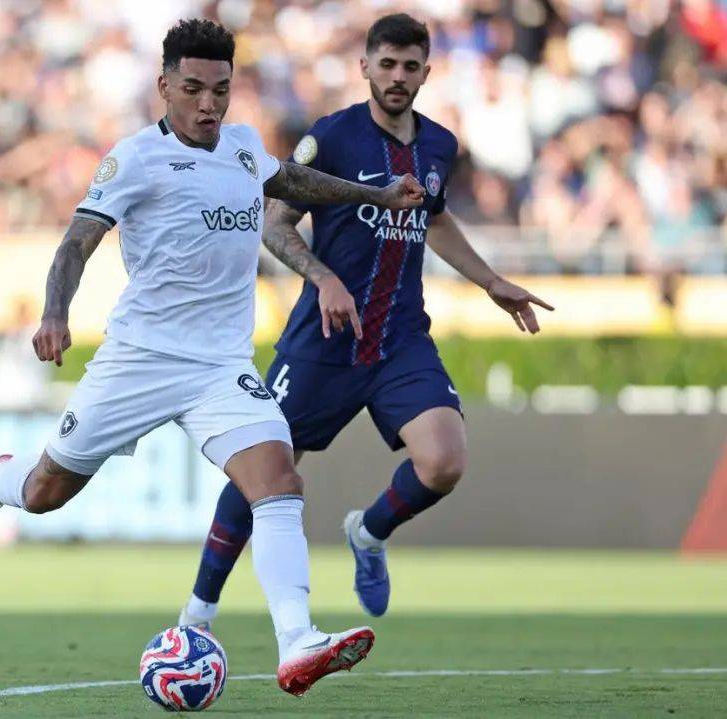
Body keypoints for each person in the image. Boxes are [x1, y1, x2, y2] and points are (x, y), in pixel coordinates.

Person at [0, 18, 425, 696]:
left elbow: (293, 180)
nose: (208, 103)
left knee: (278, 481)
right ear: (165, 86)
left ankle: (297, 642)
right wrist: (54, 312)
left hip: (221, 367)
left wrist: (376, 195)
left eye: (220, 89)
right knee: (45, 492)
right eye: (193, 88)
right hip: (139, 359)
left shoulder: (243, 147)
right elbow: (76, 243)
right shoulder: (135, 158)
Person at [178, 13, 554, 629]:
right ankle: (198, 612)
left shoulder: (439, 145)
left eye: (410, 66)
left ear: (427, 72)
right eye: (387, 64)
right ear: (365, 68)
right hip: (323, 341)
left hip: (400, 339)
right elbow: (276, 224)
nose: (397, 77)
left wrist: (490, 281)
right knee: (262, 469)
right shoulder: (333, 138)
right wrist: (324, 277)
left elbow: (434, 217)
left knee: (444, 462)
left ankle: (369, 532)